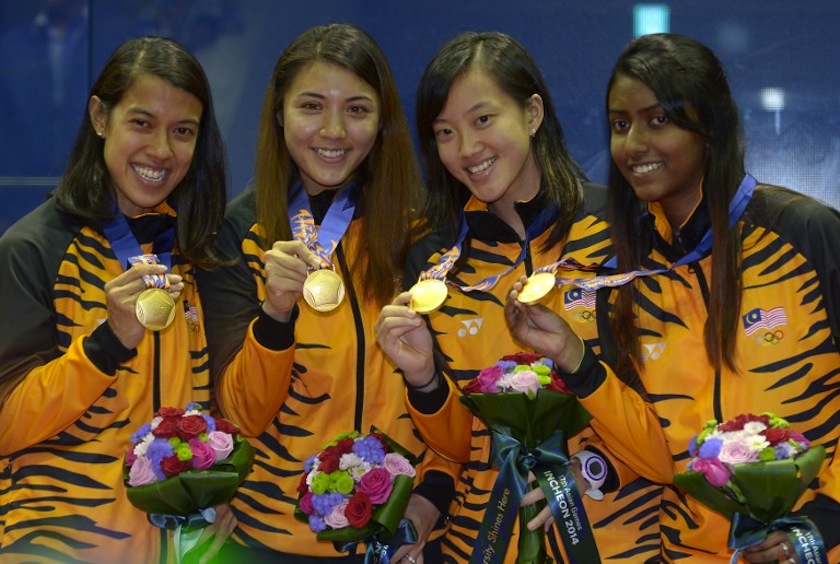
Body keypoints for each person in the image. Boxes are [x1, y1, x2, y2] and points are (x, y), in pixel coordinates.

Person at [505, 33, 840, 562]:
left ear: (711, 127)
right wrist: (574, 358)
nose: (634, 143)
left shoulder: (805, 234)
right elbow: (659, 457)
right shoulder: (626, 277)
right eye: (620, 125)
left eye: (657, 119)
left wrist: (828, 517)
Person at [374, 31, 664, 563]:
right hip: (480, 546)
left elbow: (667, 422)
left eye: (484, 120)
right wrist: (425, 381)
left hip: (618, 540)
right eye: (445, 131)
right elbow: (462, 450)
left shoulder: (625, 232)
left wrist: (594, 467)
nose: (466, 149)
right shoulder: (433, 264)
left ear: (532, 114)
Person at [197, 23, 457, 562]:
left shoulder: (421, 231)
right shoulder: (237, 233)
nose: (334, 130)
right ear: (279, 113)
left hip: (397, 532)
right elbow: (241, 416)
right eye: (311, 106)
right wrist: (275, 314)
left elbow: (453, 388)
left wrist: (434, 491)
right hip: (272, 538)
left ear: (383, 121)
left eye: (357, 110)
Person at [0, 36, 229, 562]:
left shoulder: (197, 255)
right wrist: (108, 343)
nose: (162, 151)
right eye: (141, 122)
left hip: (174, 547)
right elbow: (8, 423)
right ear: (101, 117)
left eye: (183, 132)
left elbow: (208, 405)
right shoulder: (34, 248)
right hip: (54, 544)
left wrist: (219, 490)